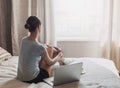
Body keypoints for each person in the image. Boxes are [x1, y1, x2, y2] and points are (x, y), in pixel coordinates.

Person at [17, 16, 64, 83]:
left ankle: (61, 61)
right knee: (50, 52)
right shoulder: (39, 47)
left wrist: (46, 46)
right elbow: (50, 62)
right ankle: (62, 61)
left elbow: (35, 47)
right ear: (38, 27)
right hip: (32, 78)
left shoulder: (23, 40)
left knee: (47, 49)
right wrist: (59, 55)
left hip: (21, 76)